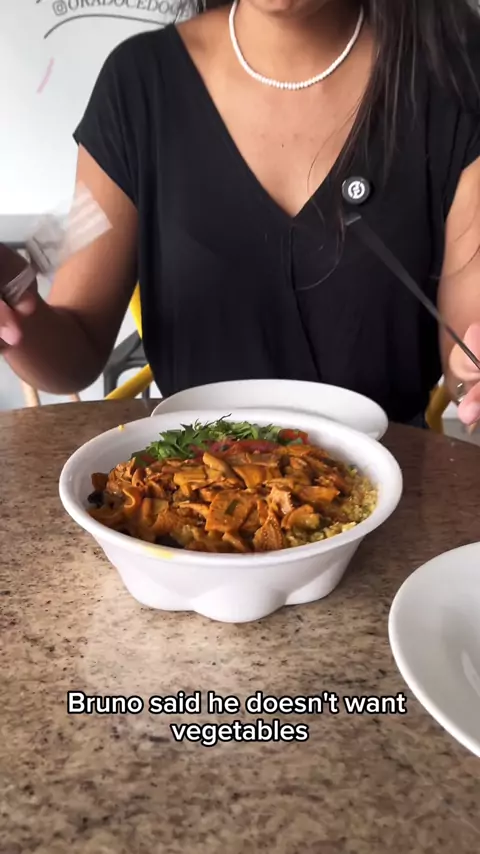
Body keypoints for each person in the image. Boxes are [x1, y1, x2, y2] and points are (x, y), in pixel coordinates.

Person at [1, 0, 480, 427]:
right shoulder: (138, 85)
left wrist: (470, 375)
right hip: (190, 489)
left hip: (393, 483)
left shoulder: (457, 77)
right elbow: (74, 351)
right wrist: (16, 316)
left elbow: (465, 352)